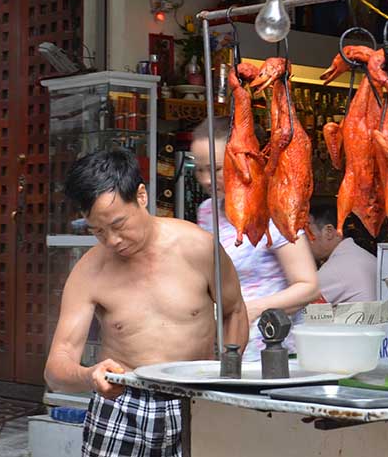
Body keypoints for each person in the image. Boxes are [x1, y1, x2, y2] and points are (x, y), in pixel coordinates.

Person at [44, 150, 248, 457]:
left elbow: (234, 310)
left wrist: (225, 378)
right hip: (121, 404)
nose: (112, 240)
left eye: (118, 224)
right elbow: (55, 369)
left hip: (194, 397)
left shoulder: (198, 247)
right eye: (98, 231)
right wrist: (90, 376)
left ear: (141, 196)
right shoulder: (88, 272)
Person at [191, 117, 320, 358]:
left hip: (272, 349)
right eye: (199, 170)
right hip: (225, 348)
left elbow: (308, 287)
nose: (206, 180)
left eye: (216, 169)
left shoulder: (272, 210)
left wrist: (251, 310)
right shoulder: (206, 211)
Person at [308, 200, 378, 304]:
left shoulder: (336, 268)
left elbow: (295, 302)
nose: (301, 241)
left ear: (329, 232)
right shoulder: (358, 255)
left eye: (307, 233)